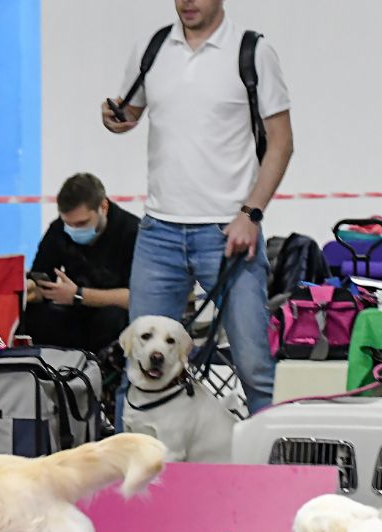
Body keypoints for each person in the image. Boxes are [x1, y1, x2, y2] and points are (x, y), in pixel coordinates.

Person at [103, 0, 293, 412]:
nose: (188, 2)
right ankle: (131, 474)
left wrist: (251, 214)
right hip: (158, 234)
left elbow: (281, 142)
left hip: (228, 232)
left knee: (254, 367)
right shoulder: (152, 47)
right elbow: (130, 112)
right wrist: (116, 118)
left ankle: (278, 473)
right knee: (135, 372)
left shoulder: (252, 51)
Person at [22, 173, 137, 354]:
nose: (74, 229)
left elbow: (137, 297)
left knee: (111, 318)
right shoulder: (59, 229)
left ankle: (105, 376)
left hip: (115, 317)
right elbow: (41, 277)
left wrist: (79, 295)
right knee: (33, 316)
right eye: (69, 224)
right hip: (74, 312)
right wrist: (29, 290)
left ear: (104, 207)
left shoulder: (132, 232)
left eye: (82, 223)